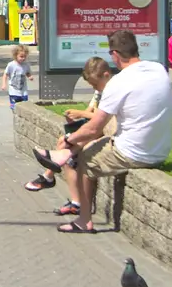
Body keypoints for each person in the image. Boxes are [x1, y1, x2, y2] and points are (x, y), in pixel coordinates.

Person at [32, 31, 172, 233]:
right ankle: (62, 155)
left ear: (114, 55)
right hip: (161, 149)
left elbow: (94, 128)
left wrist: (69, 140)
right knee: (90, 140)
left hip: (135, 153)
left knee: (84, 160)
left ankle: (83, 220)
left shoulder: (118, 82)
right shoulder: (158, 69)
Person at [24, 56, 113, 217]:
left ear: (106, 75)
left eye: (94, 83)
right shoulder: (100, 91)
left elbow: (105, 118)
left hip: (105, 131)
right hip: (96, 128)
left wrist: (80, 113)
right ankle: (58, 186)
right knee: (64, 146)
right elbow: (91, 111)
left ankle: (50, 179)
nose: (94, 87)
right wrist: (77, 117)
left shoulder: (112, 91)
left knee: (67, 151)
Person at [0, 45, 32, 111]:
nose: (23, 58)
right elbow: (5, 75)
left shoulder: (26, 65)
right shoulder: (11, 65)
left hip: (23, 91)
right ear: (15, 55)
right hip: (13, 91)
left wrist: (29, 76)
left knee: (25, 107)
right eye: (21, 56)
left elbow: (27, 72)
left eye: (25, 57)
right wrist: (4, 84)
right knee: (14, 107)